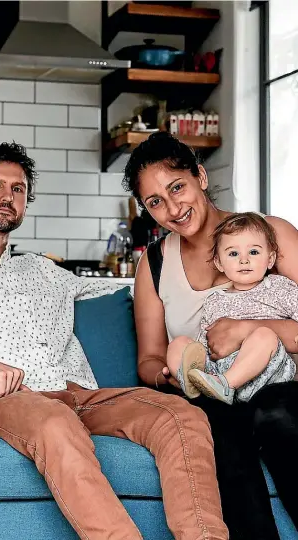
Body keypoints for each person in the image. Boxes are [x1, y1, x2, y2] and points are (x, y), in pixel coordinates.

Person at [0, 141, 229, 540]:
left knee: (182, 416)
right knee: (55, 422)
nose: (7, 196)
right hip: (4, 398)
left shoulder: (47, 272)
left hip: (81, 395)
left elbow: (136, 294)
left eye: (18, 189)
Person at [124, 132, 298, 539]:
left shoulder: (268, 235)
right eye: (155, 202)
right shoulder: (153, 264)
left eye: (177, 187)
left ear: (200, 176)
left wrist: (250, 330)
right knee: (212, 429)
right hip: (211, 393)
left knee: (274, 412)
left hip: (280, 384)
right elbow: (148, 358)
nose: (173, 208)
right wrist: (168, 374)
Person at [167, 212, 297, 404]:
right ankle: (194, 384)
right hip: (220, 370)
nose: (244, 260)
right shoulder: (214, 300)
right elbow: (206, 343)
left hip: (267, 373)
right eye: (233, 253)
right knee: (179, 344)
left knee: (264, 335)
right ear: (219, 263)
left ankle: (227, 384)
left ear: (270, 259)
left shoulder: (279, 287)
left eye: (253, 252)